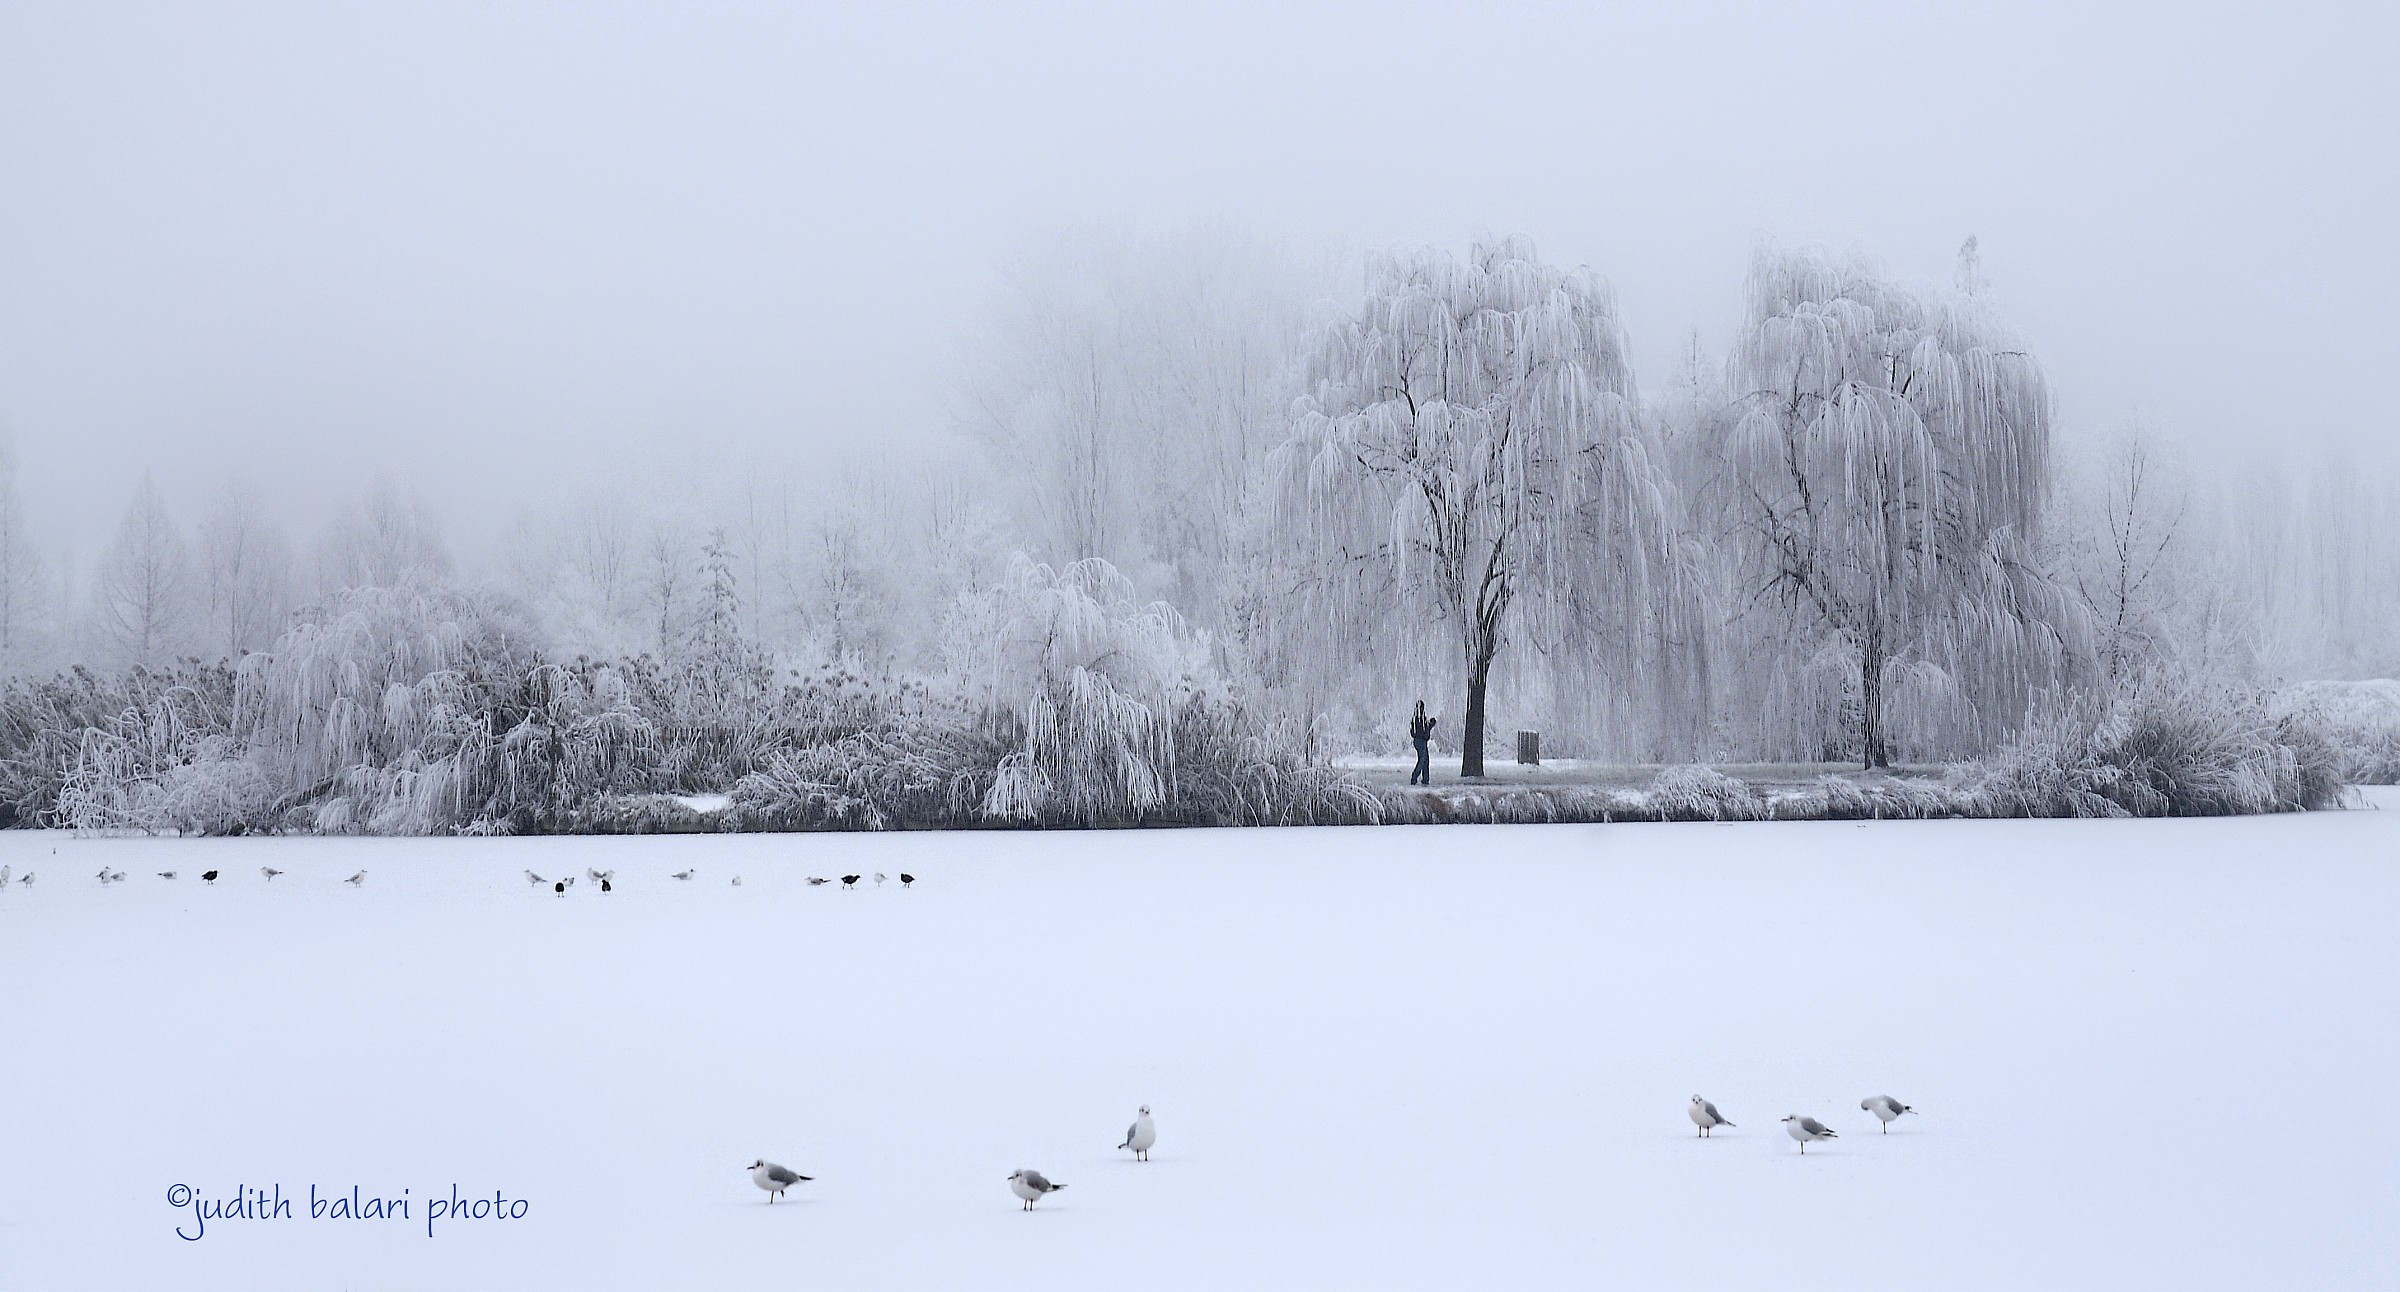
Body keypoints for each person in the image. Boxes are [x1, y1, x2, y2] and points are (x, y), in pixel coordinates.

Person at [1407, 700, 1437, 786]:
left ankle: (1425, 779)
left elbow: (1419, 730)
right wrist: (1430, 725)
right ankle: (1415, 777)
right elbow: (1423, 730)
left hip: (1418, 741)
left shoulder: (1416, 717)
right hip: (1421, 741)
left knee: (1425, 760)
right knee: (1422, 760)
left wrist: (1429, 725)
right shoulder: (1420, 718)